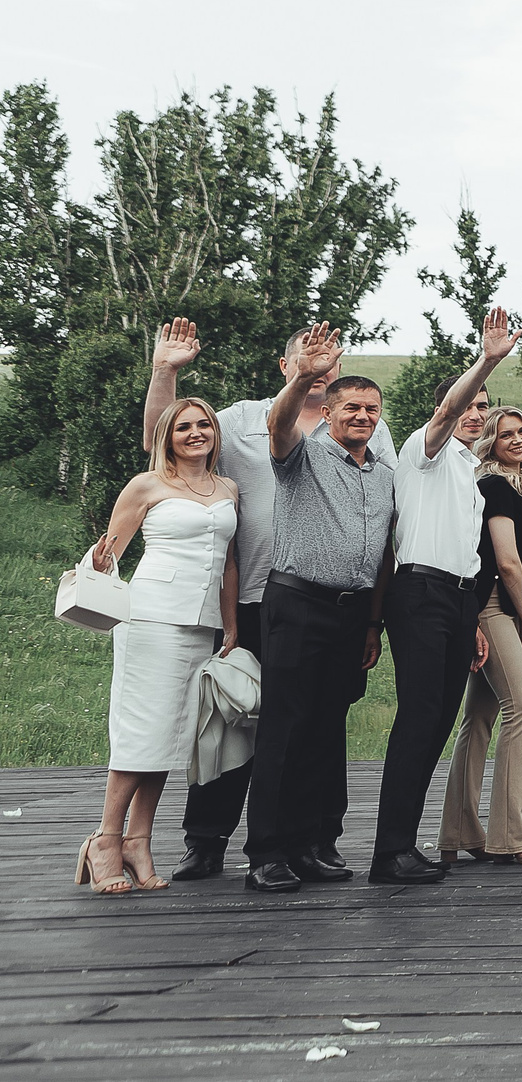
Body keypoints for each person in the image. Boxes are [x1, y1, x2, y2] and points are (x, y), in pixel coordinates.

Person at [140, 320, 349, 883]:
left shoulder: (356, 422)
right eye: (308, 360)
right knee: (232, 719)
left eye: (328, 361)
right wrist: (166, 371)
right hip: (253, 596)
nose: (318, 370)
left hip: (325, 601)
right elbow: (158, 441)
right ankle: (205, 842)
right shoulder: (238, 420)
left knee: (310, 729)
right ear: (286, 366)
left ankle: (305, 842)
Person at [242, 326, 398, 893]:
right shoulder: (300, 455)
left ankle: (312, 843)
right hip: (296, 602)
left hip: (351, 613)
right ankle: (266, 851)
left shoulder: (383, 475)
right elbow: (278, 423)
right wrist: (306, 374)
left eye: (371, 409)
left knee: (328, 729)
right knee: (285, 727)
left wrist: (373, 623)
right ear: (329, 412)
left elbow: (384, 553)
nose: (361, 416)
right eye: (351, 407)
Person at [374, 307, 521, 885]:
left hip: (459, 599)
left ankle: (404, 846)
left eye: (484, 407)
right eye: (470, 404)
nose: (476, 414)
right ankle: (389, 851)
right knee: (417, 718)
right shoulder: (423, 449)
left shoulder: (470, 469)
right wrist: (486, 360)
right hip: (419, 591)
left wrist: (474, 620)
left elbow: (468, 551)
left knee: (437, 722)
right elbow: (444, 413)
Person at [78, 398, 239, 894]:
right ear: (167, 437)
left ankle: (139, 840)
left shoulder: (228, 487)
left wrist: (231, 626)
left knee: (172, 734)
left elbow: (230, 563)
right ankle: (106, 840)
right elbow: (111, 550)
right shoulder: (146, 485)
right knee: (140, 730)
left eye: (204, 425)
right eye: (184, 427)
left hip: (201, 624)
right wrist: (101, 565)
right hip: (149, 616)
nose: (196, 433)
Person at [435, 405, 522, 866]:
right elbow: (505, 562)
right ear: (489, 440)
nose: (518, 438)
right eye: (505, 433)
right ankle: (514, 836)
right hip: (494, 607)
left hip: (494, 605)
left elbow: (521, 554)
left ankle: (459, 830)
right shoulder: (494, 485)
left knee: (479, 717)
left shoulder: (511, 489)